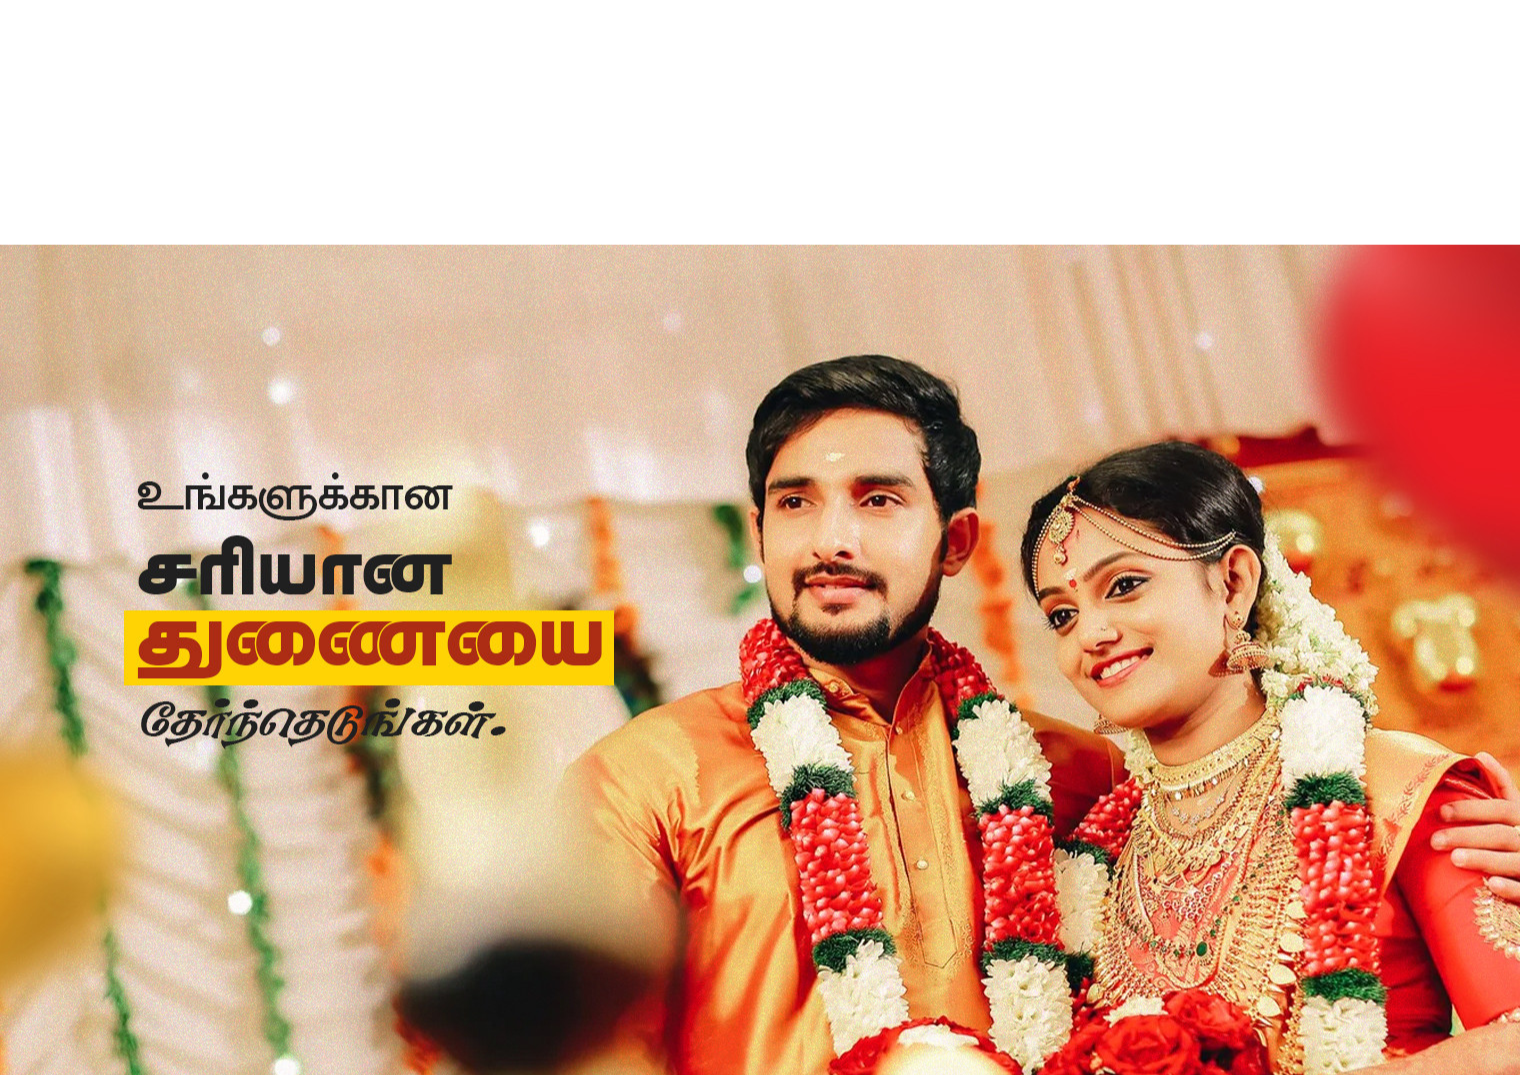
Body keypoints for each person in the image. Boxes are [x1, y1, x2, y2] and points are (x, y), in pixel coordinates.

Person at [562, 357, 1520, 1075]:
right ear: (761, 531)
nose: (832, 538)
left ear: (955, 541)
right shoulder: (648, 780)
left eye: (879, 498)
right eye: (794, 503)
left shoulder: (1075, 782)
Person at [1019, 441, 1520, 1073]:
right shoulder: (1094, 860)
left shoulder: (1396, 786)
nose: (1091, 635)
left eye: (1124, 585)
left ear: (1233, 583)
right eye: (1062, 615)